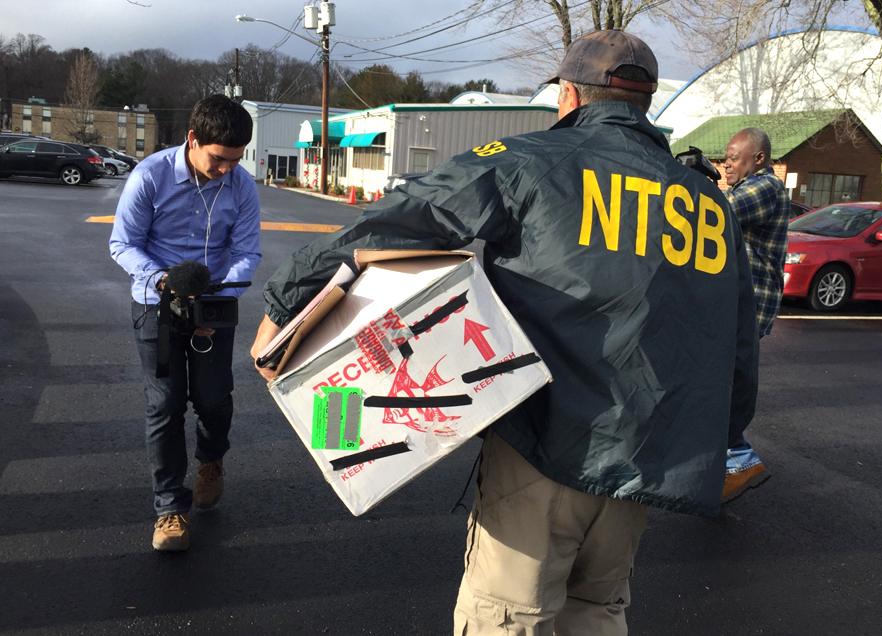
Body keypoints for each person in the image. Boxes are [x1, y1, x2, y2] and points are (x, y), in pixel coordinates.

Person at [251, 30, 758, 634]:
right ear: (643, 102)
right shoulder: (706, 202)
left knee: (509, 615)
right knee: (598, 609)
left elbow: (403, 218)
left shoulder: (532, 163)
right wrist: (724, 435)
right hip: (649, 452)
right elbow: (737, 340)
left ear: (570, 95)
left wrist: (287, 306)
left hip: (551, 439)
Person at [110, 94, 261, 552]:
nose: (226, 170)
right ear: (193, 139)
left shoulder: (241, 185)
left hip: (213, 301)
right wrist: (164, 283)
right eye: (218, 159)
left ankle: (211, 460)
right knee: (166, 405)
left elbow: (247, 254)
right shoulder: (150, 176)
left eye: (234, 161)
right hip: (156, 302)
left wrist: (217, 296)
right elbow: (122, 244)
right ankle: (169, 509)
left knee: (214, 399)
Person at [721, 127, 790, 503]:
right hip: (738, 302)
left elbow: (718, 212)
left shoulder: (766, 188)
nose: (726, 164)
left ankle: (738, 457)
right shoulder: (749, 187)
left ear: (759, 159)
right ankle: (729, 460)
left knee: (726, 380)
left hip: (750, 302)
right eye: (725, 158)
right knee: (720, 380)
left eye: (734, 157)